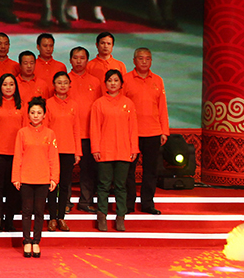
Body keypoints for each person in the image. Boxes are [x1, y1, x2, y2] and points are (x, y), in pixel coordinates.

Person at [90, 70, 139, 231]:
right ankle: (102, 215)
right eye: (110, 80)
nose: (113, 83)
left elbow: (133, 128)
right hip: (104, 150)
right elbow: (95, 128)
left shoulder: (128, 104)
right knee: (103, 185)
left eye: (116, 80)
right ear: (105, 83)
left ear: (121, 84)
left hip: (124, 150)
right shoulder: (98, 104)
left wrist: (134, 148)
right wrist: (95, 148)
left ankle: (120, 216)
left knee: (121, 186)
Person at [123, 48, 169, 215]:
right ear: (134, 61)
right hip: (131, 133)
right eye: (140, 58)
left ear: (151, 61)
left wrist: (164, 131)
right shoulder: (126, 79)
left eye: (147, 58)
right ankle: (128, 203)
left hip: (153, 132)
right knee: (128, 171)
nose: (144, 61)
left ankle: (148, 204)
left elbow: (162, 107)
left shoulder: (158, 80)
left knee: (151, 170)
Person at [13, 97, 59, 257]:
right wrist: (16, 177)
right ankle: (26, 240)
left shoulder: (50, 134)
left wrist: (54, 178)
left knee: (39, 211)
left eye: (39, 112)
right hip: (26, 177)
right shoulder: (22, 133)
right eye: (33, 112)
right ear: (28, 114)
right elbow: (18, 156)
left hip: (43, 178)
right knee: (26, 211)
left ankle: (36, 241)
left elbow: (53, 157)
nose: (36, 115)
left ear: (44, 115)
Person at [45, 71, 83, 231]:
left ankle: (61, 217)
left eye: (65, 83)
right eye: (59, 82)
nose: (62, 85)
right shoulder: (48, 104)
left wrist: (77, 152)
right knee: (52, 185)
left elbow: (76, 129)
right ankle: (52, 218)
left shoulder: (74, 105)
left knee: (65, 185)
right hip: (51, 151)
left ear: (69, 85)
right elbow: (45, 129)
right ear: (54, 85)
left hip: (68, 150)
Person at [0, 73, 22, 232]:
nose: (8, 87)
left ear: (16, 87)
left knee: (13, 189)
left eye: (11, 84)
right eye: (5, 84)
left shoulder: (22, 106)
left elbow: (25, 132)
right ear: (0, 87)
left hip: (16, 154)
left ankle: (10, 221)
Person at [68, 46, 103, 213]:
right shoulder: (64, 80)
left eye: (82, 58)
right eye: (75, 58)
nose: (79, 61)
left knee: (88, 170)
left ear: (87, 61)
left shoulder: (95, 82)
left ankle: (86, 201)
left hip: (89, 133)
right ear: (70, 60)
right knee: (66, 171)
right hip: (68, 134)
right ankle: (65, 202)